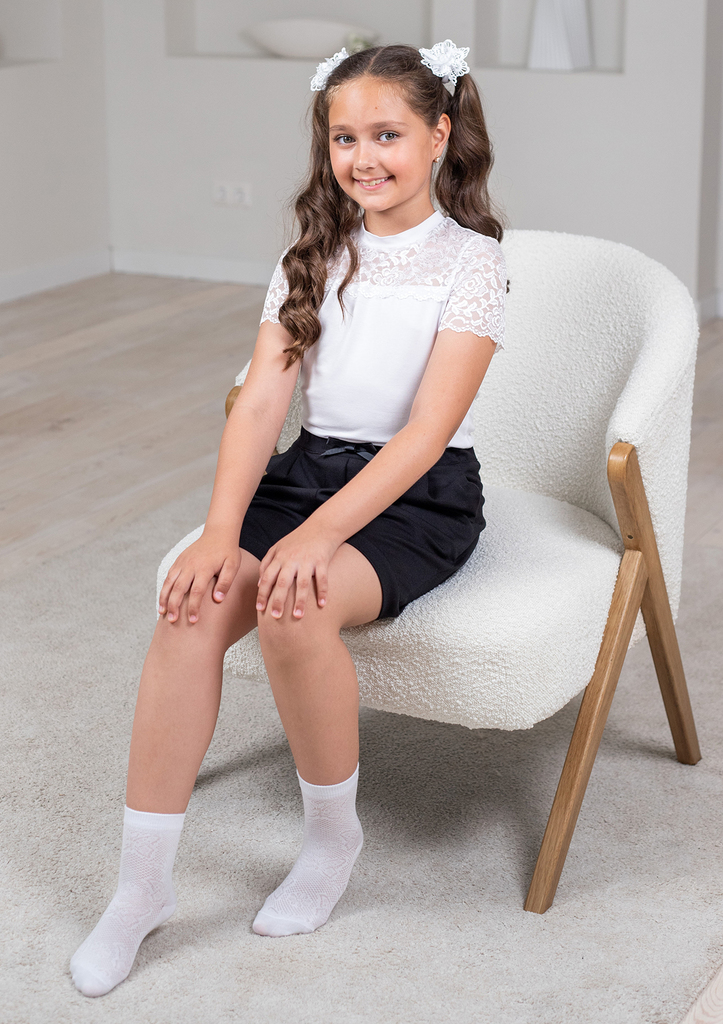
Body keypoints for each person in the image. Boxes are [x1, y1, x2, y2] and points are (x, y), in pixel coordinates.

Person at [70, 39, 507, 997]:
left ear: (438, 135)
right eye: (344, 137)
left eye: (387, 134)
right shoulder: (310, 254)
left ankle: (330, 841)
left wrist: (315, 539)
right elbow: (263, 402)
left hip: (414, 495)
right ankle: (141, 888)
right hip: (305, 473)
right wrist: (219, 530)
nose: (363, 157)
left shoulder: (472, 263)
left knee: (294, 604)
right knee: (191, 602)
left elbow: (425, 435)